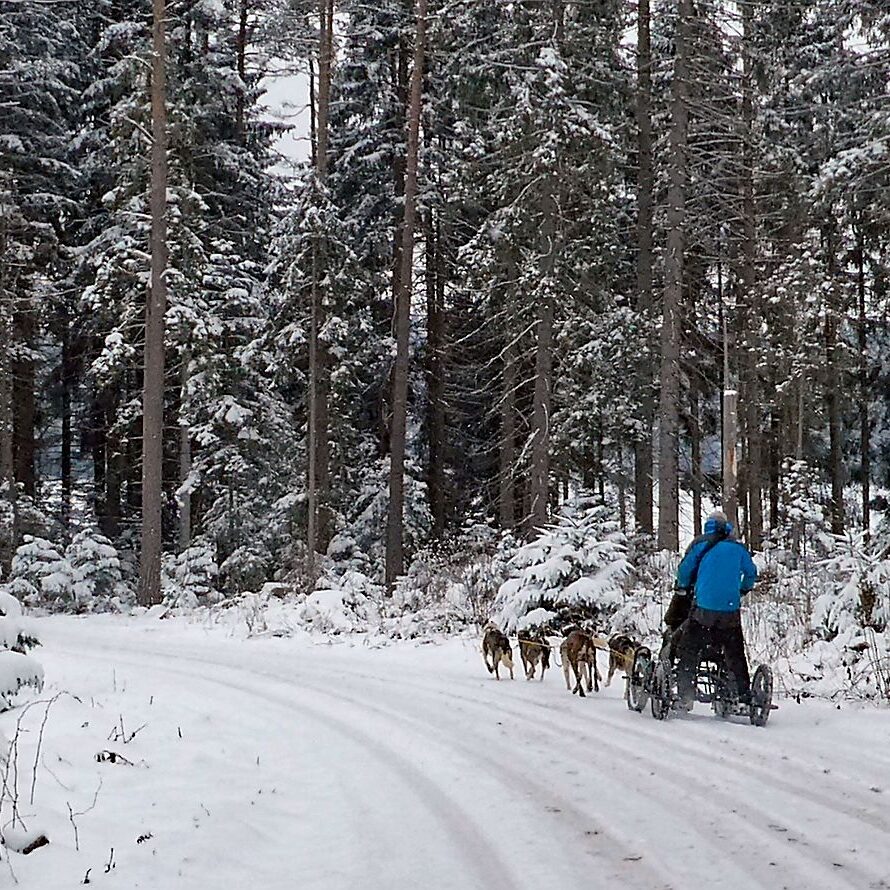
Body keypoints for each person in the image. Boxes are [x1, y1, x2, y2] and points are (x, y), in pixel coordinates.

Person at [673, 510, 758, 710]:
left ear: (707, 526)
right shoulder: (738, 548)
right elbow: (751, 573)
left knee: (689, 649)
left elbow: (684, 571)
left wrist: (683, 587)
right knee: (735, 653)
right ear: (726, 527)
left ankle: (685, 694)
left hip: (704, 609)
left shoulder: (699, 544)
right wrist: (743, 589)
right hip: (730, 610)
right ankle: (744, 696)